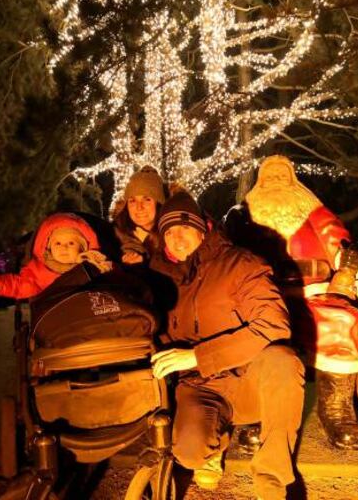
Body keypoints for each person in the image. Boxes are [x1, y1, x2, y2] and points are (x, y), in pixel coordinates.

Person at [150, 191, 304, 500]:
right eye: (168, 232)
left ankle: (271, 480)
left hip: (248, 378)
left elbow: (273, 323)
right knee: (189, 453)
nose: (177, 238)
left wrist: (196, 356)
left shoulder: (238, 263)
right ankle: (215, 442)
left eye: (183, 228)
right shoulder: (160, 279)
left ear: (202, 228)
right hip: (200, 389)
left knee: (283, 361)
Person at [224, 155, 358, 450]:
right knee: (249, 331)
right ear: (259, 181)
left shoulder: (314, 212)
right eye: (270, 176)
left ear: (293, 180)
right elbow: (226, 251)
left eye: (283, 175)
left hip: (316, 292)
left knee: (343, 321)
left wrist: (346, 263)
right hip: (262, 295)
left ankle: (336, 409)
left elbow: (336, 240)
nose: (277, 181)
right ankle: (259, 409)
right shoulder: (242, 215)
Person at [0, 212, 111, 305]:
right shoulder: (39, 272)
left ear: (83, 248)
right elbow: (19, 285)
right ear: (49, 248)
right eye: (57, 243)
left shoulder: (96, 266)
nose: (63, 247)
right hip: (58, 323)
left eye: (71, 243)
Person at [112, 166, 166, 265]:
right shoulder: (113, 237)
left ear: (158, 204)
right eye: (132, 200)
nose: (139, 207)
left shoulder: (172, 236)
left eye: (147, 199)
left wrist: (149, 241)